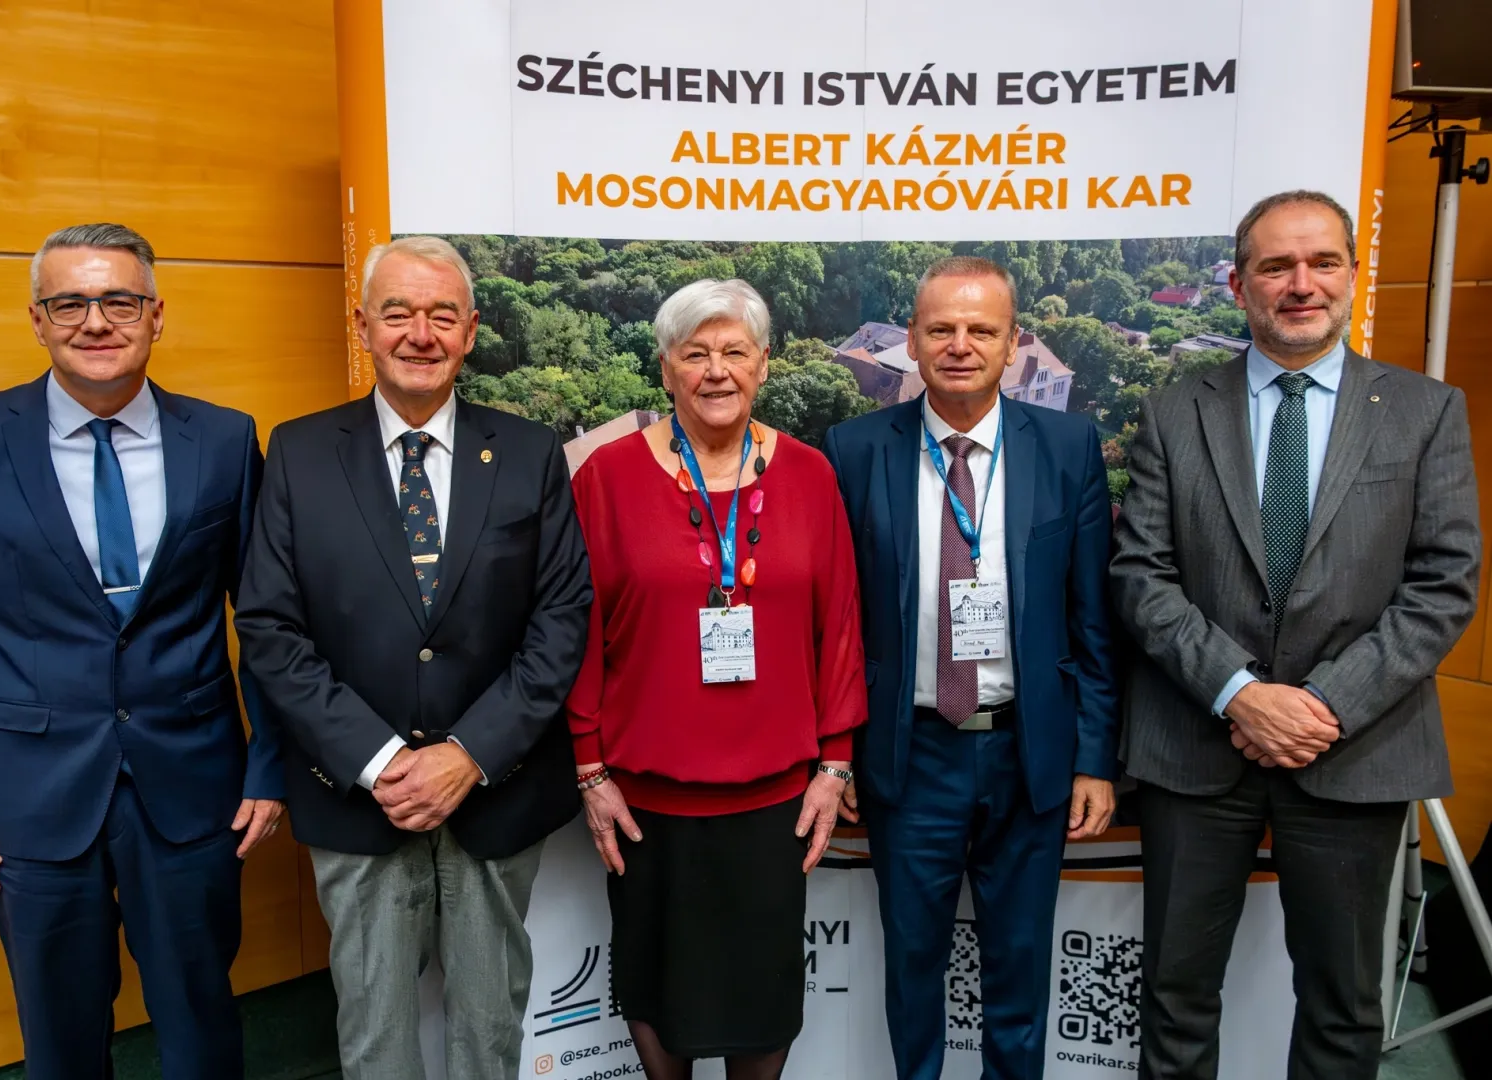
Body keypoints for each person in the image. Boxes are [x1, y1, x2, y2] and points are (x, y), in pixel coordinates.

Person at [0, 223, 284, 1078]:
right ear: (37, 318)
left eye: (119, 300)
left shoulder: (222, 440)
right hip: (24, 798)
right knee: (61, 1042)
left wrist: (269, 767)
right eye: (70, 301)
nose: (95, 321)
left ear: (155, 315)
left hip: (194, 788)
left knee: (201, 1024)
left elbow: (269, 622)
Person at [1112, 190, 1482, 1079]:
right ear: (1240, 285)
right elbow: (1140, 574)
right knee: (1174, 991)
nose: (1300, 283)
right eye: (1276, 266)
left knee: (1344, 1005)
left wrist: (1319, 705)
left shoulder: (1426, 411)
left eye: (1321, 262)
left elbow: (1443, 585)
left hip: (1355, 747)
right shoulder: (1173, 411)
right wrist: (1242, 693)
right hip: (1198, 745)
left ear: (1353, 275)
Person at [234, 236, 592, 1080]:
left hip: (494, 794)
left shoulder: (532, 452)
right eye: (398, 312)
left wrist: (468, 756)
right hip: (360, 800)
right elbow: (271, 628)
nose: (419, 333)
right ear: (364, 327)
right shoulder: (298, 452)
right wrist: (385, 761)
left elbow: (562, 617)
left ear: (470, 331)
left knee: (488, 1032)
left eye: (441, 315)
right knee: (375, 1038)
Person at [823, 257, 1120, 1080]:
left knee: (1020, 970)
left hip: (1030, 753)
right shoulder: (852, 451)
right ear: (912, 341)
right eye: (941, 329)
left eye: (980, 330)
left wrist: (1094, 756)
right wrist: (837, 748)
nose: (960, 345)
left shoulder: (1067, 446)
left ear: (1012, 342)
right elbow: (836, 621)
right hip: (909, 755)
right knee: (913, 968)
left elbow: (1093, 617)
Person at [569, 278, 867, 1080]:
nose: (716, 370)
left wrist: (835, 763)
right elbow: (577, 632)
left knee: (762, 1004)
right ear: (665, 369)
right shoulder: (607, 477)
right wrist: (589, 767)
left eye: (735, 351)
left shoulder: (809, 475)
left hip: (775, 800)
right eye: (694, 353)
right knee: (656, 993)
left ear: (764, 364)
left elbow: (837, 625)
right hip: (642, 801)